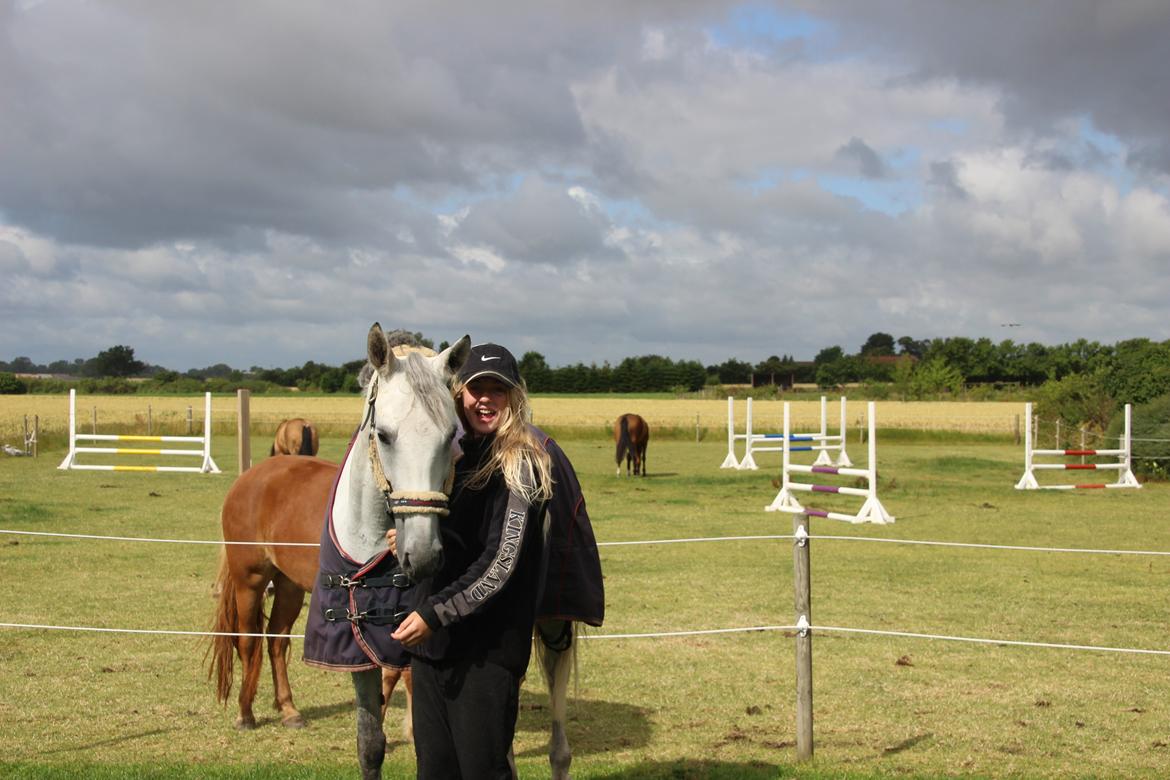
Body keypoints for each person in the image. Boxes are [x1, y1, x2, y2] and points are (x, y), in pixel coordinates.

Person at [391, 342, 562, 779]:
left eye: (497, 390)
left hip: (487, 655)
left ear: (514, 397)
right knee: (435, 773)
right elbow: (460, 540)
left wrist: (433, 612)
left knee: (482, 771)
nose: (484, 399)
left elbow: (500, 562)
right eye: (475, 388)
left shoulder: (522, 464)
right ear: (459, 393)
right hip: (431, 652)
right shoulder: (448, 459)